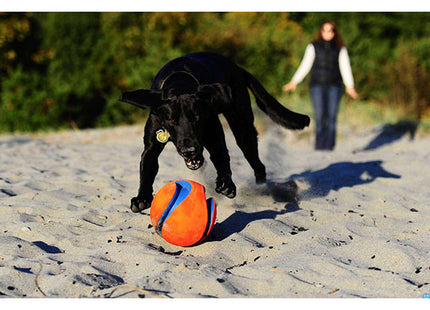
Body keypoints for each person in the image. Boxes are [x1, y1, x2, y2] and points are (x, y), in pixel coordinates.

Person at [283, 21, 358, 151]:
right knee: (320, 116)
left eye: (330, 30)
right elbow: (305, 65)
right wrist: (294, 81)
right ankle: (320, 146)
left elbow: (345, 67)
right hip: (317, 85)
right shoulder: (313, 46)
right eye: (325, 30)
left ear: (334, 33)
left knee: (332, 116)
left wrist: (349, 86)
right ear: (321, 32)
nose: (327, 33)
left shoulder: (340, 48)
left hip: (335, 86)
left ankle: (329, 146)